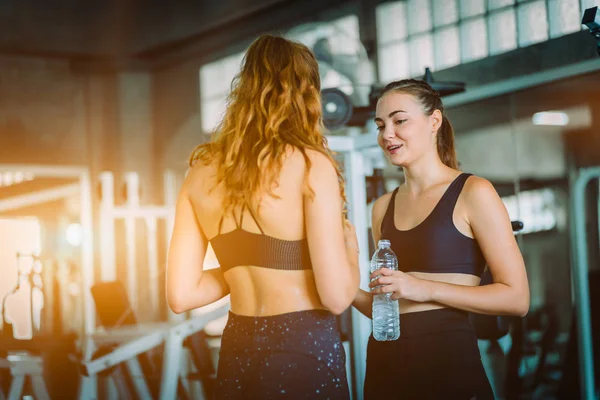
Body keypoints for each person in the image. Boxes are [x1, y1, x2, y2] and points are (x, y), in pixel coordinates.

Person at [165, 34, 360, 399]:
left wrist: (243, 262)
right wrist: (351, 252)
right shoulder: (308, 163)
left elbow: (181, 294)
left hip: (238, 351)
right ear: (307, 94)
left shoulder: (199, 174)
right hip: (303, 347)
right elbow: (336, 298)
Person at [352, 79, 530, 399]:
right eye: (380, 125)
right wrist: (343, 287)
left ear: (434, 121)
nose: (386, 134)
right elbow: (388, 306)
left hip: (447, 363)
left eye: (399, 120)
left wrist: (421, 287)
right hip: (384, 365)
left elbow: (516, 299)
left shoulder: (474, 192)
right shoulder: (381, 208)